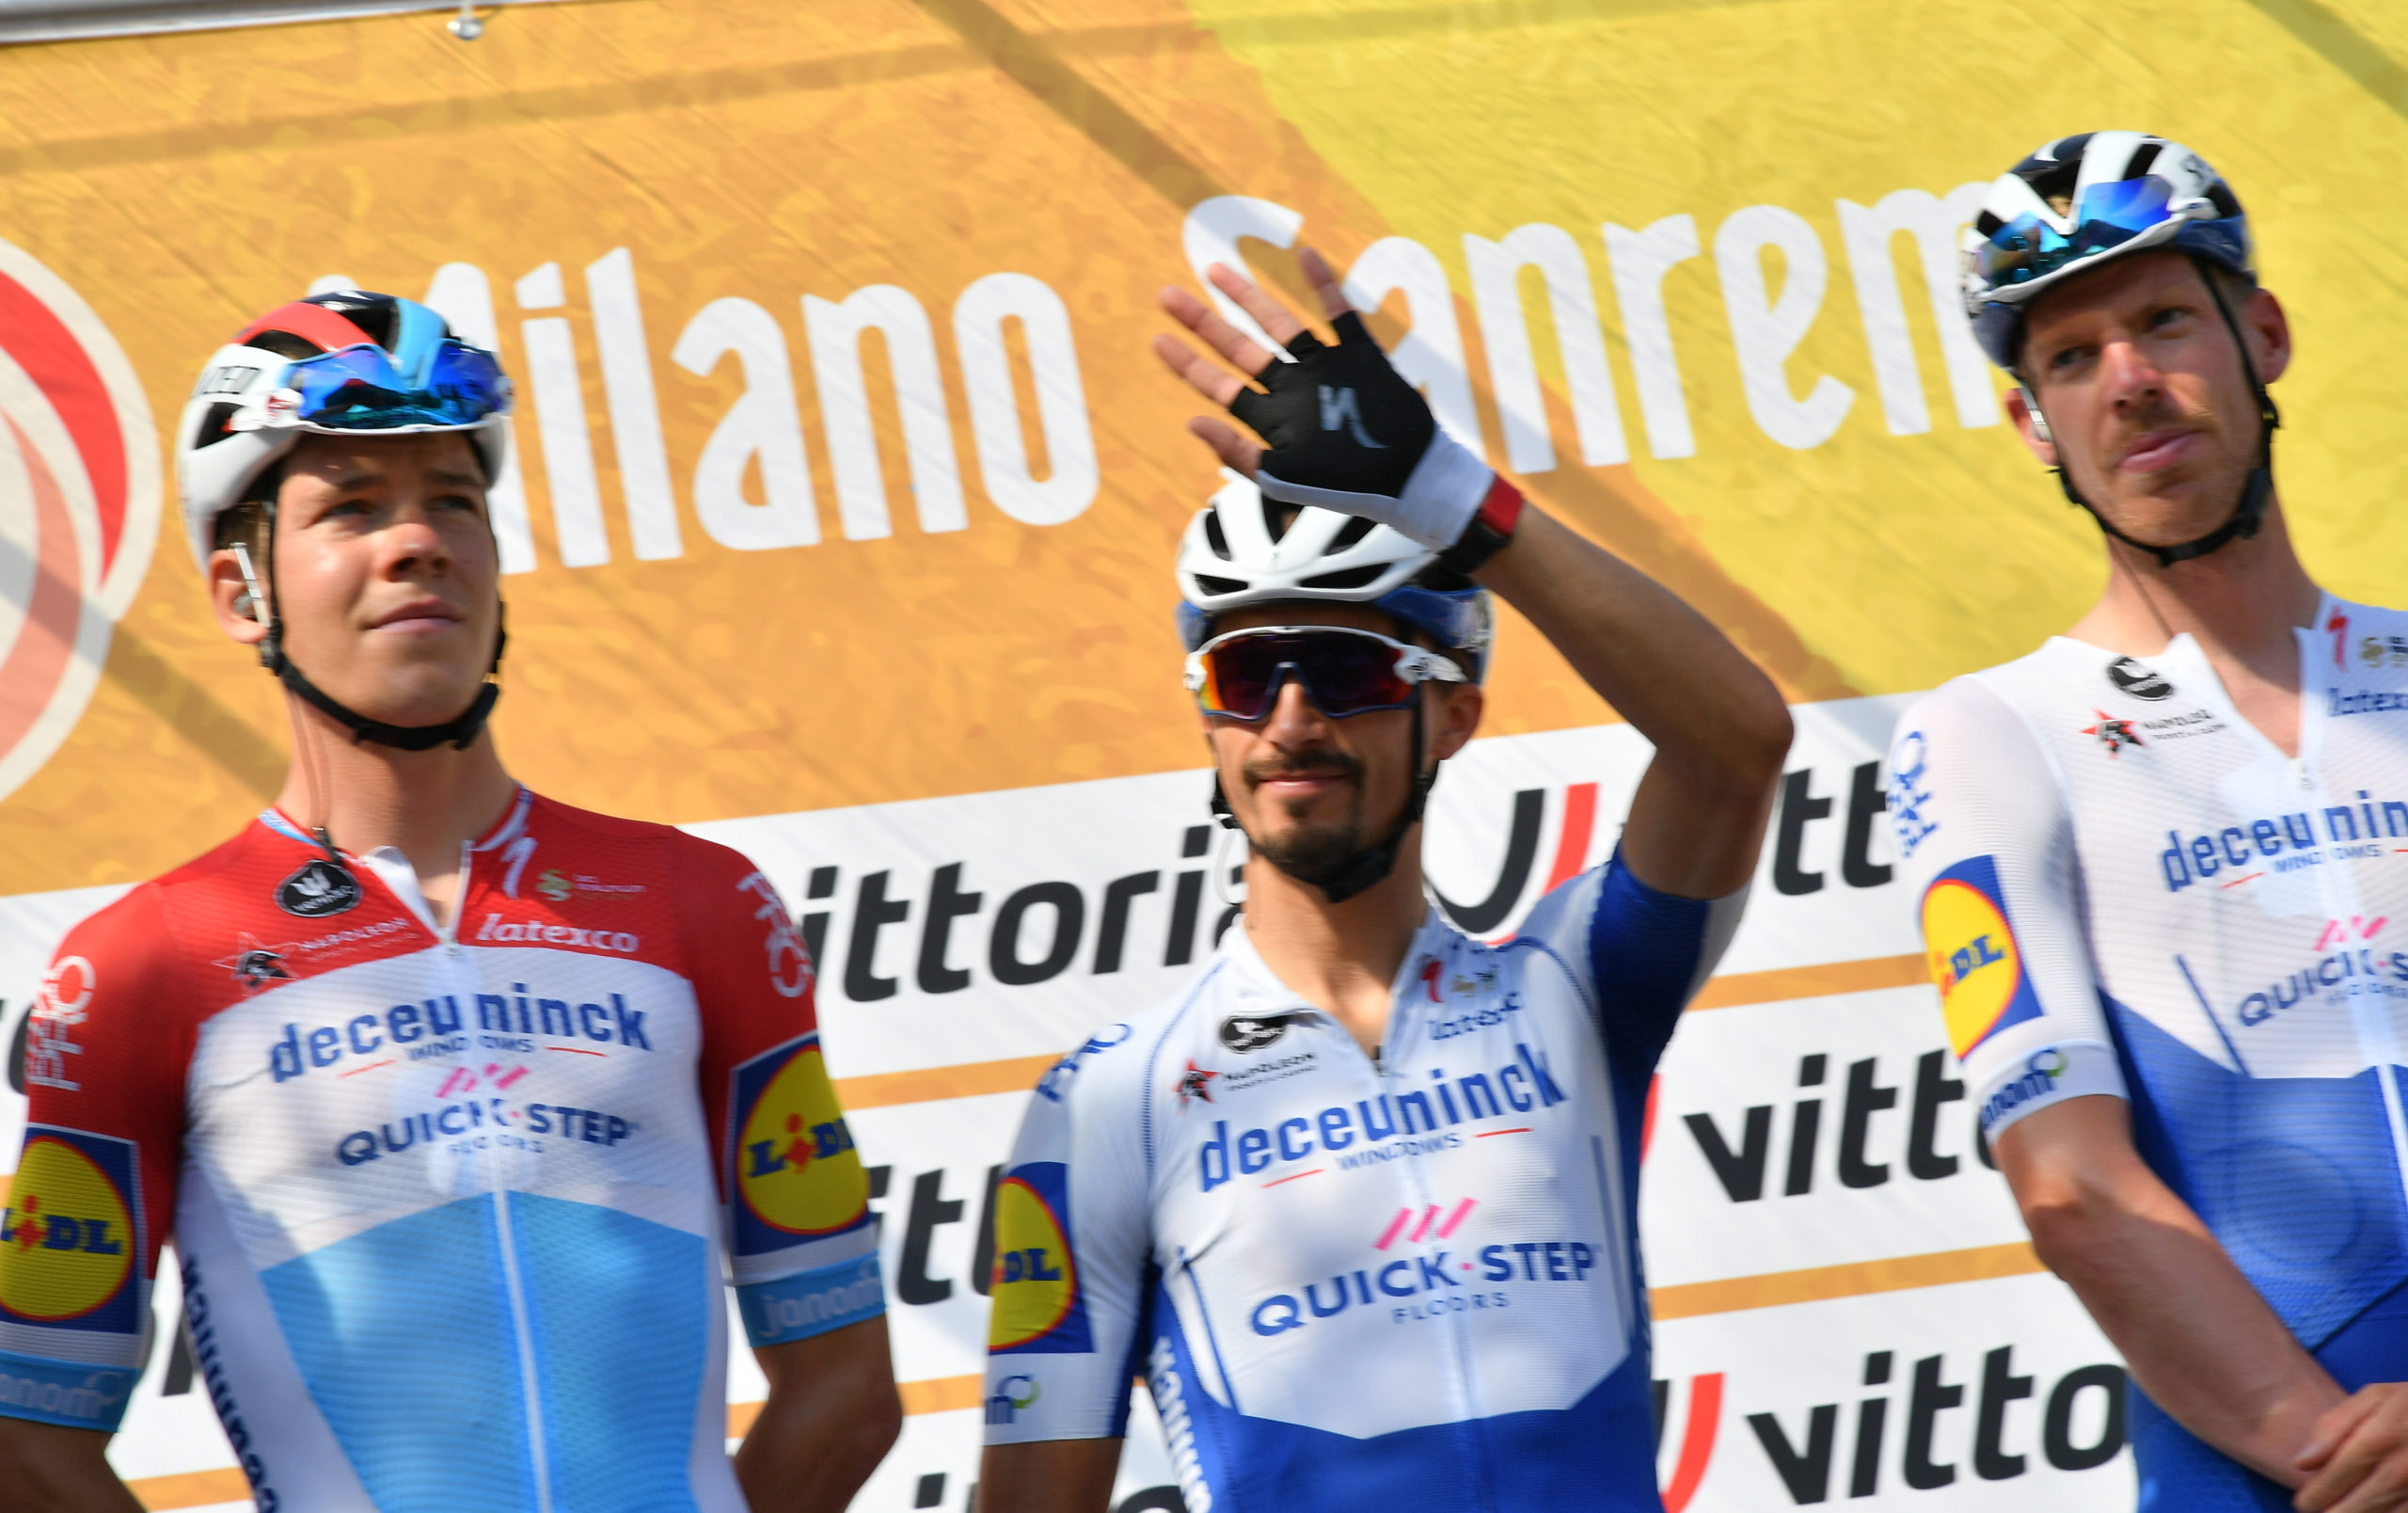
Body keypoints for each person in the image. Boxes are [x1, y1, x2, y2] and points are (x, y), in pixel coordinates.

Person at [0, 292, 898, 1511]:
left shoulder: (700, 905)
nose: (416, 540)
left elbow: (847, 1387)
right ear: (240, 591)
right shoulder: (146, 966)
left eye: (453, 500)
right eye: (352, 506)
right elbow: (26, 1445)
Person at [974, 249, 1792, 1511]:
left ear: (1454, 713)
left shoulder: (1571, 991)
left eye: (1348, 672)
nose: (1292, 720)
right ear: (1208, 715)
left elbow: (1736, 743)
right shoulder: (1106, 1105)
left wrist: (1453, 500)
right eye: (1247, 675)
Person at [1892, 131, 2408, 1512]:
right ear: (2033, 425)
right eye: (2071, 358)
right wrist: (2337, 1455)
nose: (2128, 380)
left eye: (2165, 321)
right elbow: (2067, 1183)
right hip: (2285, 1471)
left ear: (2264, 335)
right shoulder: (1990, 732)